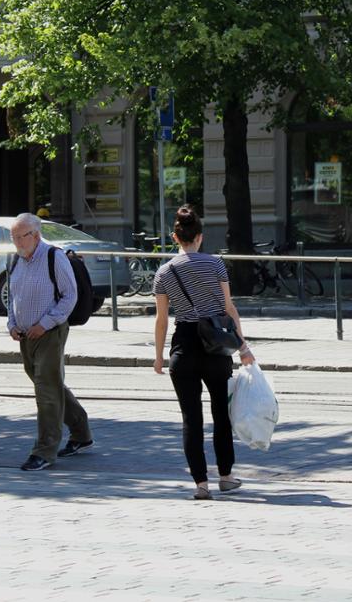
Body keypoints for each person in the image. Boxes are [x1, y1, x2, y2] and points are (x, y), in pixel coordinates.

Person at [152, 205, 254, 500]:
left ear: (175, 237)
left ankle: (200, 484)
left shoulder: (164, 272)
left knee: (190, 418)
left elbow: (161, 320)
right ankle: (226, 476)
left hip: (183, 344)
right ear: (199, 237)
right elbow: (228, 308)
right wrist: (243, 347)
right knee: (221, 413)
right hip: (215, 344)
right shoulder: (215, 264)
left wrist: (159, 356)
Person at [7, 212, 94, 471]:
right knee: (51, 385)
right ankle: (81, 433)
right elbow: (13, 296)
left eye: (20, 237)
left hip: (50, 333)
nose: (16, 243)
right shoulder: (15, 259)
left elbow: (70, 296)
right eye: (13, 237)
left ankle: (44, 451)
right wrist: (12, 324)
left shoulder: (54, 257)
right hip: (25, 334)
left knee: (46, 390)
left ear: (35, 234)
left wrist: (44, 324)